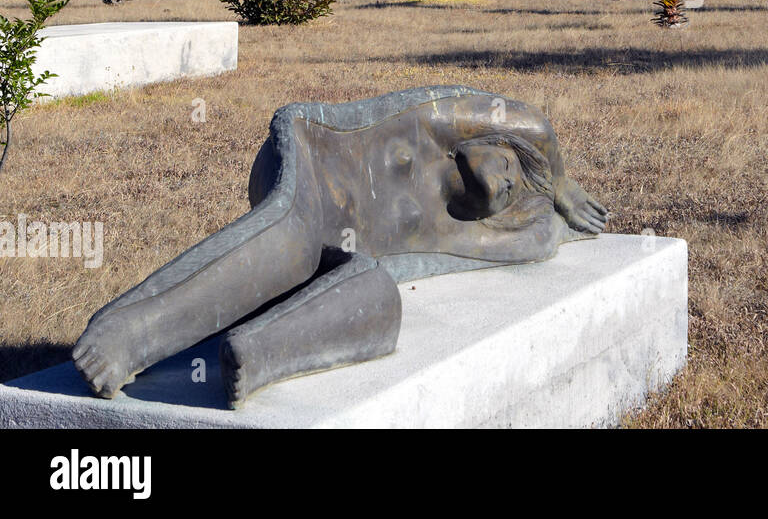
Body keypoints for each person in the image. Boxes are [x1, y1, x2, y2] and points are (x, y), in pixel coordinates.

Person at [72, 86, 608, 408]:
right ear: (493, 141)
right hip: (309, 162)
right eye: (514, 168)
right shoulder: (436, 125)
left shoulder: (447, 232)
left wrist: (550, 221)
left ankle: (258, 355)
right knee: (291, 242)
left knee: (377, 297)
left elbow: (536, 242)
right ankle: (130, 332)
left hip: (335, 242)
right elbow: (535, 124)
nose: (510, 186)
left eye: (513, 199)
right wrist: (559, 184)